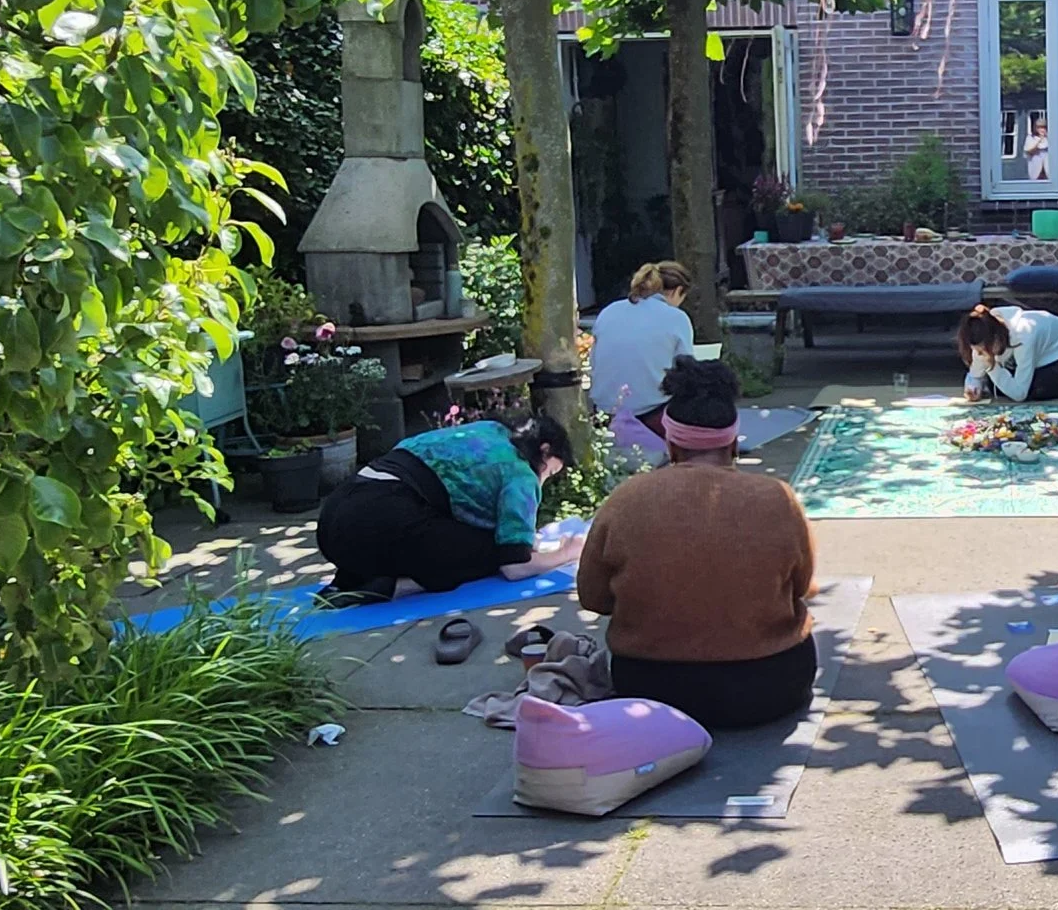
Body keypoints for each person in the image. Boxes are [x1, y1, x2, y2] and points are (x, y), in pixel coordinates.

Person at [577, 357, 819, 728]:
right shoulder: (778, 498)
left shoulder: (626, 499)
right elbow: (803, 587)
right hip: (770, 688)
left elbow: (593, 597)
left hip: (651, 691)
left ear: (671, 443)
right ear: (733, 443)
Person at [316, 415, 581, 605]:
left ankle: (353, 577)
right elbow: (514, 566)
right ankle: (384, 587)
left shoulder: (490, 429)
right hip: (376, 521)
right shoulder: (521, 473)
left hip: (335, 516)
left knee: (455, 536)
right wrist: (564, 554)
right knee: (490, 553)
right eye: (550, 473)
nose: (544, 481)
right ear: (544, 451)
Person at [587, 261, 696, 435]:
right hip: (651, 413)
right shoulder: (677, 318)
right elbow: (686, 372)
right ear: (678, 291)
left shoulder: (609, 311)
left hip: (604, 411)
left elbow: (594, 361)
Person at [955, 304, 1058, 403]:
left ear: (996, 338)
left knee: (1039, 389)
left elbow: (1019, 394)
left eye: (984, 350)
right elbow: (976, 371)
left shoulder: (1024, 336)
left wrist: (992, 368)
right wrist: (974, 387)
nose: (981, 354)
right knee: (997, 386)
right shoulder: (983, 333)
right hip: (1039, 356)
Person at [1024, 115, 1051, 181]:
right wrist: (1039, 140)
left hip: (1048, 169)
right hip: (1035, 168)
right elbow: (1029, 152)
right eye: (1039, 127)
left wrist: (1047, 137)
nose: (1042, 130)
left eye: (1043, 127)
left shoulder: (1049, 138)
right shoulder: (1030, 138)